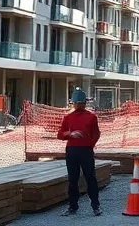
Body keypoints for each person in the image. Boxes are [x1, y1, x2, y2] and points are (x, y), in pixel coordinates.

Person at [57, 87, 101, 216]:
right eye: (76, 103)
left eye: (79, 103)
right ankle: (73, 207)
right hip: (72, 150)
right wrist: (70, 134)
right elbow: (60, 134)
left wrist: (89, 145)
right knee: (73, 179)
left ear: (84, 103)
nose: (78, 105)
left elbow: (96, 134)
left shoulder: (91, 117)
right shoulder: (68, 117)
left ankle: (95, 206)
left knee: (90, 178)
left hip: (85, 150)